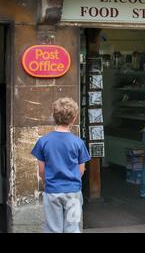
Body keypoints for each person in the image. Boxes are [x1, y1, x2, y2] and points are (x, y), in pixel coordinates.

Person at [31, 97, 91, 233]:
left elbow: (41, 170)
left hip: (52, 191)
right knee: (73, 228)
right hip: (73, 192)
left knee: (52, 229)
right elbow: (81, 170)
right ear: (74, 118)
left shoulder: (43, 141)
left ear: (54, 116)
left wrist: (48, 182)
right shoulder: (78, 143)